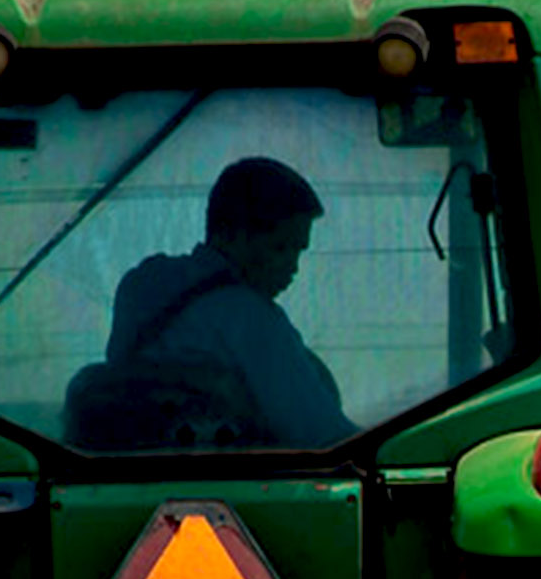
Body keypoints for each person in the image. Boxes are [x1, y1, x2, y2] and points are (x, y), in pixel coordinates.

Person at [95, 156, 354, 446]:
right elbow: (324, 437)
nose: (292, 266)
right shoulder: (249, 317)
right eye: (280, 247)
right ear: (229, 234)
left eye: (298, 251)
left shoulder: (143, 283)